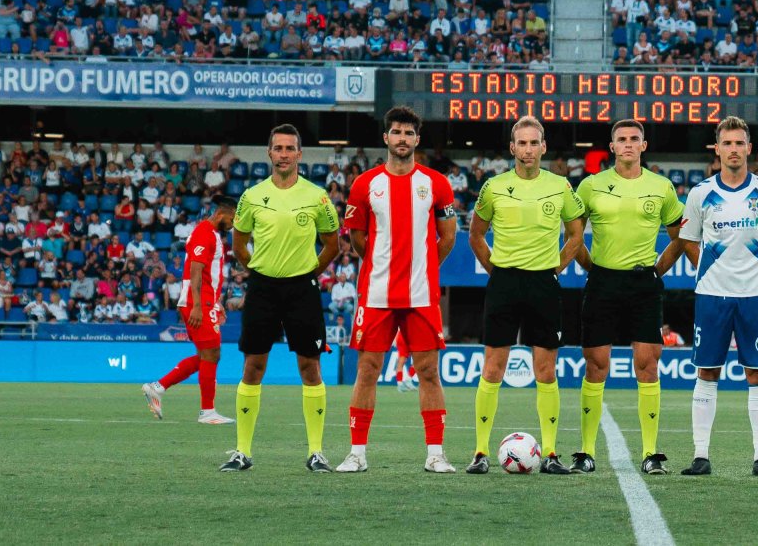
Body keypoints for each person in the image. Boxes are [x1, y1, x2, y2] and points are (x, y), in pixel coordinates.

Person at [336, 107, 458, 474]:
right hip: (376, 294)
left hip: (421, 295)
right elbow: (357, 238)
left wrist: (421, 268)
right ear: (386, 138)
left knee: (428, 372)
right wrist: (382, 264)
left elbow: (448, 236)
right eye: (396, 132)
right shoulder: (364, 185)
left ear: (417, 140)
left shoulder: (437, 183)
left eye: (408, 133)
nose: (402, 138)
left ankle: (435, 453)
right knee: (368, 370)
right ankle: (357, 453)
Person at [465, 117, 585, 475]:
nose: (529, 150)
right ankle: (480, 452)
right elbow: (475, 235)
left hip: (544, 284)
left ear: (543, 147)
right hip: (504, 283)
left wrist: (555, 269)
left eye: (535, 143)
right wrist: (497, 272)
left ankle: (549, 453)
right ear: (512, 148)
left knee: (546, 370)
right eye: (522, 143)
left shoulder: (560, 186)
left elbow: (576, 235)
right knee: (493, 368)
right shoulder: (494, 187)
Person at [220, 124, 341, 473]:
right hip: (263, 289)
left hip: (302, 289)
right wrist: (259, 271)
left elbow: (332, 244)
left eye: (290, 148)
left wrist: (308, 273)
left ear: (300, 155)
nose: (284, 154)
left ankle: (316, 452)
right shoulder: (252, 196)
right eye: (278, 148)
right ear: (269, 153)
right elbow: (239, 244)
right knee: (253, 366)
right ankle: (242, 451)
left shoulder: (317, 196)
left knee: (310, 367)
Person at [570, 120, 686, 475]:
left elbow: (679, 235)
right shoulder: (590, 186)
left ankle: (651, 453)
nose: (629, 144)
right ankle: (586, 452)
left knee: (648, 366)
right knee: (596, 366)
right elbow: (573, 233)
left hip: (642, 284)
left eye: (635, 139)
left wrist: (656, 270)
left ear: (644, 145)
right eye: (622, 139)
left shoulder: (661, 187)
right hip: (603, 282)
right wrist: (593, 268)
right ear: (612, 146)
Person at [677, 117, 758, 477]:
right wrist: (710, 271)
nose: (734, 149)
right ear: (718, 149)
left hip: (753, 296)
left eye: (740, 143)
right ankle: (700, 455)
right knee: (707, 371)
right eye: (728, 143)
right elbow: (688, 240)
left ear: (749, 148)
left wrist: (754, 269)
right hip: (712, 296)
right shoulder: (700, 194)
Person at [141, 196, 238, 425]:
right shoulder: (204, 232)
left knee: (208, 355)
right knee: (212, 354)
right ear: (222, 214)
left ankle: (158, 387)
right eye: (233, 218)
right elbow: (195, 270)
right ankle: (207, 411)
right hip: (198, 303)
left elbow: (208, 275)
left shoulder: (211, 234)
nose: (234, 224)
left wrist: (216, 303)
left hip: (205, 301)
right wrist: (198, 305)